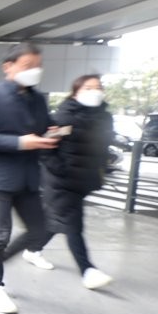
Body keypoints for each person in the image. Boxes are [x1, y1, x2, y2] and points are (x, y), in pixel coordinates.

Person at [0, 43, 59, 314]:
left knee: (39, 230)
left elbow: (44, 126)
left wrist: (53, 132)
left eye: (38, 66)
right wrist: (20, 142)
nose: (35, 71)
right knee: (0, 234)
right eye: (28, 65)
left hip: (28, 177)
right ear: (8, 66)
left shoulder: (38, 99)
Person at [41, 75, 114, 289]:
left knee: (55, 220)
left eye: (98, 87)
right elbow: (46, 147)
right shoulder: (64, 117)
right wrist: (59, 169)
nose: (95, 91)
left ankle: (32, 248)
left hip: (85, 180)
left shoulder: (105, 118)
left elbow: (103, 146)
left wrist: (102, 167)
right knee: (74, 224)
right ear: (75, 93)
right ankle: (87, 270)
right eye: (88, 87)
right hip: (61, 181)